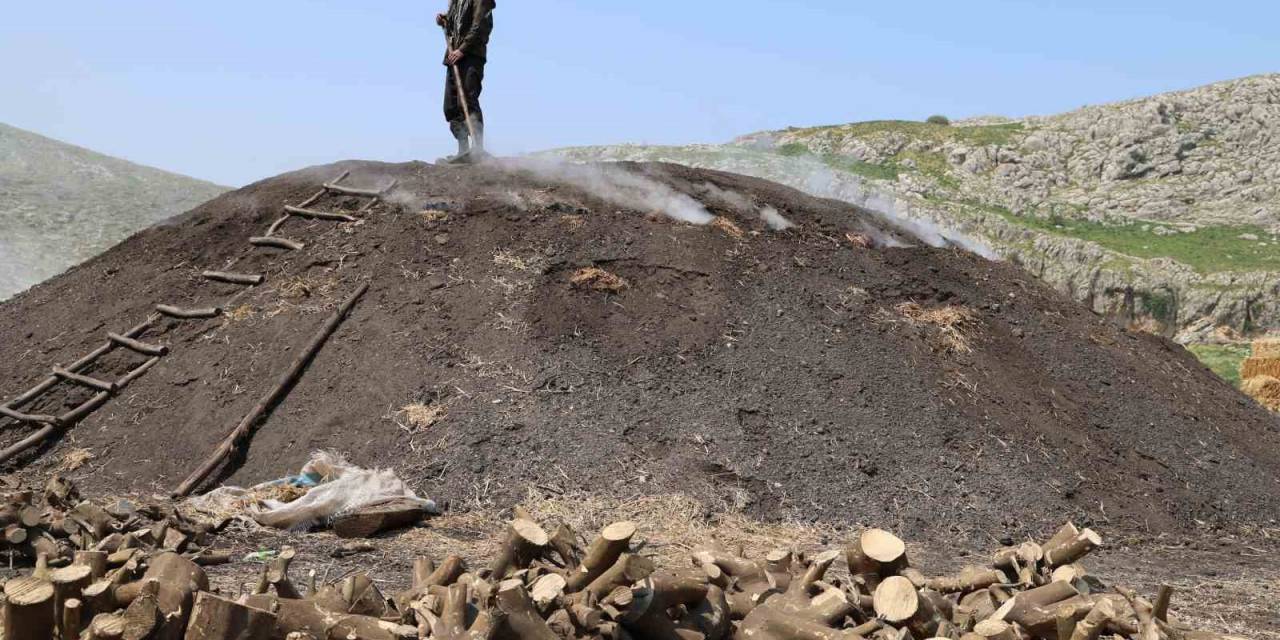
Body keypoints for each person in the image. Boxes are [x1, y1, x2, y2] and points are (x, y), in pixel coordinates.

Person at [437, 0, 496, 163]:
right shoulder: (456, 2)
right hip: (453, 56)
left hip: (471, 55)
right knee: (451, 105)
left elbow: (480, 26)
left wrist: (462, 49)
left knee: (468, 100)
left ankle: (477, 148)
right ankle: (462, 150)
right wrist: (445, 20)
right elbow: (456, 27)